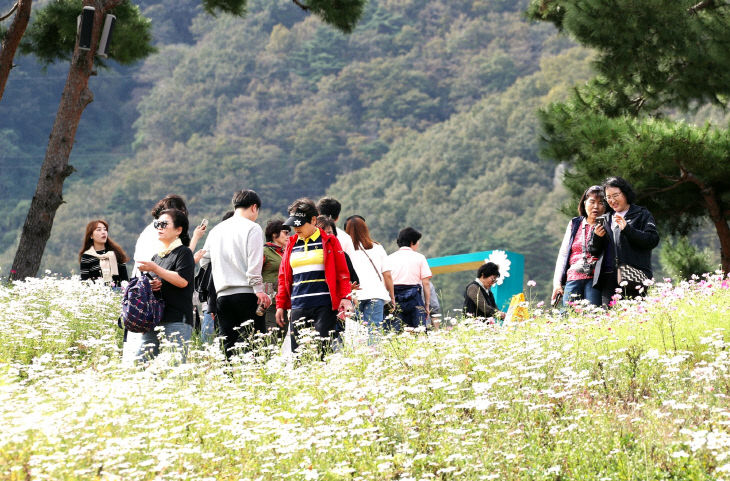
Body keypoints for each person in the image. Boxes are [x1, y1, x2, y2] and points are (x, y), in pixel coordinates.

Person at [276, 199, 352, 355]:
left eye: (300, 224)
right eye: (293, 224)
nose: (296, 228)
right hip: (298, 305)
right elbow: (283, 276)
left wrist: (345, 297)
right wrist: (281, 305)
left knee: (323, 352)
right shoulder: (291, 244)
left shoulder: (330, 241)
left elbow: (342, 273)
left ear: (313, 220)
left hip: (324, 305)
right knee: (299, 354)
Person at [201, 190, 270, 357]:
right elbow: (255, 262)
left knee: (228, 346)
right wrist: (259, 289)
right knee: (255, 345)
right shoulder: (252, 228)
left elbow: (204, 261)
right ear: (254, 207)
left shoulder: (216, 230)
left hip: (222, 296)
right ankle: (253, 380)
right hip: (246, 293)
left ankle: (229, 379)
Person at [136, 209, 195, 362]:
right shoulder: (157, 256)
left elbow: (182, 281)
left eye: (164, 224)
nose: (159, 228)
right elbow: (162, 280)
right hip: (155, 319)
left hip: (176, 318)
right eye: (157, 224)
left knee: (173, 365)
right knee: (142, 363)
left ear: (178, 230)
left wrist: (155, 269)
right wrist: (151, 285)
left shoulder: (184, 253)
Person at [589, 176, 660, 304]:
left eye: (615, 195)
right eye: (608, 197)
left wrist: (628, 229)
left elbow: (652, 240)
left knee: (636, 319)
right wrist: (596, 237)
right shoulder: (604, 219)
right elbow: (593, 251)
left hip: (633, 276)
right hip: (607, 280)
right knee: (609, 320)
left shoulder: (641, 214)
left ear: (625, 193)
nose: (612, 200)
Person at [551, 185, 607, 307]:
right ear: (584, 203)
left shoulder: (608, 225)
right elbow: (563, 254)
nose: (596, 207)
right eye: (592, 202)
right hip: (573, 277)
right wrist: (557, 283)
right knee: (569, 315)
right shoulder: (575, 223)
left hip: (596, 279)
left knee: (593, 315)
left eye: (601, 203)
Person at [344, 216, 395, 330]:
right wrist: (392, 296)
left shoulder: (345, 250)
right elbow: (387, 275)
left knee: (353, 331)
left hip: (354, 295)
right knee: (374, 330)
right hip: (376, 294)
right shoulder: (377, 247)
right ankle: (373, 348)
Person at [196, 210, 233, 344]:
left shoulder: (215, 233)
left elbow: (203, 260)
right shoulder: (247, 233)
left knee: (211, 339)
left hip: (214, 292)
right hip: (231, 293)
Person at [387, 227, 432, 330]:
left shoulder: (389, 258)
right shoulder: (420, 257)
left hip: (395, 296)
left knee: (397, 331)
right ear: (412, 242)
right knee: (419, 330)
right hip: (414, 297)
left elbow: (386, 280)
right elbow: (426, 283)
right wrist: (427, 304)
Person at [262, 218, 291, 336]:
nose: (288, 236)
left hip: (283, 302)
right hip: (269, 303)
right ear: (274, 234)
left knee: (281, 338)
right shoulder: (264, 251)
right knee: (271, 338)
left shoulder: (286, 252)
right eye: (285, 233)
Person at [79, 219, 129, 286]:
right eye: (99, 230)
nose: (103, 232)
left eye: (105, 229)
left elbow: (125, 280)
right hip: (97, 294)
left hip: (118, 294)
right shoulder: (87, 256)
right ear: (91, 235)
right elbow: (84, 283)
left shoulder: (116, 253)